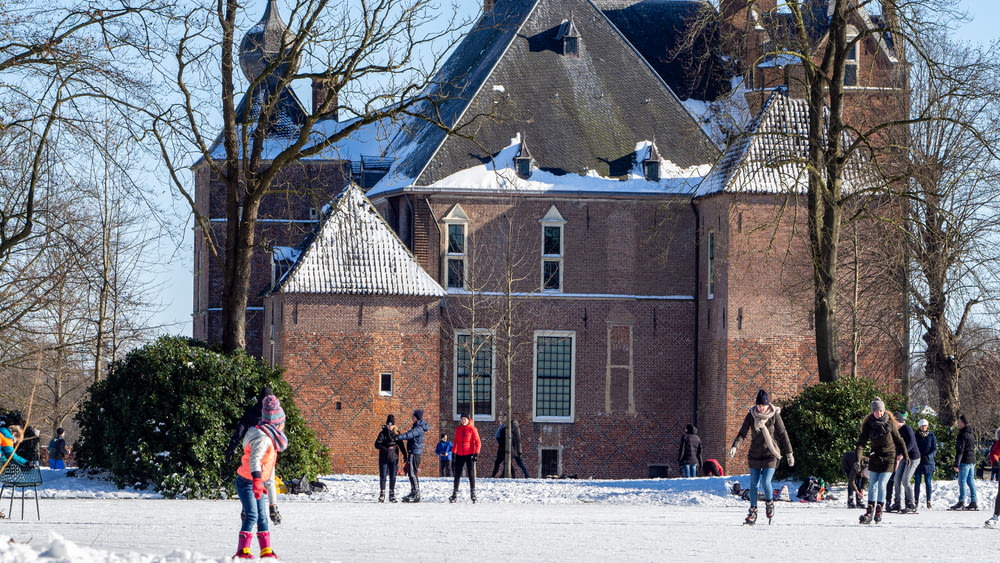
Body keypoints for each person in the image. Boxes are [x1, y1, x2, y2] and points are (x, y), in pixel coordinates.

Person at [728, 389, 794, 525]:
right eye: (758, 405)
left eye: (763, 405)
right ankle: (753, 511)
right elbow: (742, 433)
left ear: (767, 404)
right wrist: (735, 446)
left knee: (765, 481)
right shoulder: (751, 415)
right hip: (755, 454)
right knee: (753, 484)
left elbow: (783, 434)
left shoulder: (774, 415)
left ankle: (769, 503)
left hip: (771, 454)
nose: (760, 408)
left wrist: (789, 453)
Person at [233, 394, 287, 559]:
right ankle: (242, 551)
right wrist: (257, 480)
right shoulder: (263, 439)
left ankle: (266, 550)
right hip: (246, 482)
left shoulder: (272, 441)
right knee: (252, 515)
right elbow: (254, 461)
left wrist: (273, 504)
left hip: (257, 482)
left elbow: (270, 476)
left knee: (262, 516)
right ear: (277, 423)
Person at [855, 397, 905, 524]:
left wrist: (905, 455)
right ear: (873, 411)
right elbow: (861, 443)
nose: (880, 413)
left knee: (882, 483)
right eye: (877, 411)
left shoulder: (890, 423)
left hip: (889, 457)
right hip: (875, 457)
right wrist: (858, 458)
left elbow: (899, 440)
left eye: (881, 411)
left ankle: (879, 510)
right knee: (873, 484)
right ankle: (869, 511)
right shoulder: (869, 425)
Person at [888, 412, 921, 513]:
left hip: (913, 458)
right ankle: (897, 502)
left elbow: (911, 443)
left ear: (898, 421)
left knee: (905, 480)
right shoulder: (896, 431)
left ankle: (910, 503)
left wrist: (903, 454)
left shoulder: (907, 428)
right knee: (897, 479)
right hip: (902, 458)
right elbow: (897, 446)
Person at [397, 409, 430, 503]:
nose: (412, 418)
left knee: (412, 473)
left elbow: (409, 435)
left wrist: (398, 437)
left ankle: (416, 493)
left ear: (417, 417)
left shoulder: (418, 428)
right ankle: (414, 492)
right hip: (414, 452)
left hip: (415, 453)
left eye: (413, 416)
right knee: (412, 473)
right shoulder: (417, 426)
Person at [450, 413, 482, 503]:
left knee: (471, 474)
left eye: (465, 419)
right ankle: (454, 493)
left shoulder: (472, 429)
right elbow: (456, 441)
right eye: (462, 419)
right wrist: (454, 452)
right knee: (457, 474)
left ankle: (473, 493)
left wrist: (476, 453)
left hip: (470, 453)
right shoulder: (458, 429)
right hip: (460, 454)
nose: (463, 421)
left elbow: (478, 441)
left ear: (468, 420)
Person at [950, 414, 978, 510]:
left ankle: (961, 501)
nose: (958, 423)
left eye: (959, 421)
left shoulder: (962, 435)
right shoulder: (971, 434)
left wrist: (956, 464)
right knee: (970, 481)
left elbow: (960, 450)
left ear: (962, 422)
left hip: (965, 460)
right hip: (972, 459)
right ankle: (974, 501)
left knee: (962, 481)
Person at [374, 414, 402, 502]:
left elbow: (401, 445)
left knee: (393, 476)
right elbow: (377, 444)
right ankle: (382, 493)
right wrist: (385, 448)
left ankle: (392, 494)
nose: (390, 426)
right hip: (383, 458)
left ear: (394, 425)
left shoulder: (396, 433)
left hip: (394, 458)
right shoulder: (382, 433)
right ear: (386, 425)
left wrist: (405, 455)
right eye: (388, 425)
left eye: (391, 425)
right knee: (383, 475)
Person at [914, 418, 937, 509]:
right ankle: (916, 500)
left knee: (928, 482)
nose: (924, 427)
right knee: (917, 482)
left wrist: (929, 456)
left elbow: (934, 449)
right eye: (922, 426)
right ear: (919, 426)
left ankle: (928, 500)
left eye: (925, 426)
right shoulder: (916, 436)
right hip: (918, 462)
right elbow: (914, 447)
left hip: (928, 462)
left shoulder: (931, 435)